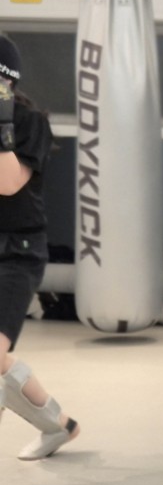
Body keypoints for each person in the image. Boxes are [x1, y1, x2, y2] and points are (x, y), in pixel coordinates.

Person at [0, 33, 79, 460]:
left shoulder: (30, 123)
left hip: (17, 252)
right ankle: (59, 426)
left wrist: (2, 126)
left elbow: (8, 182)